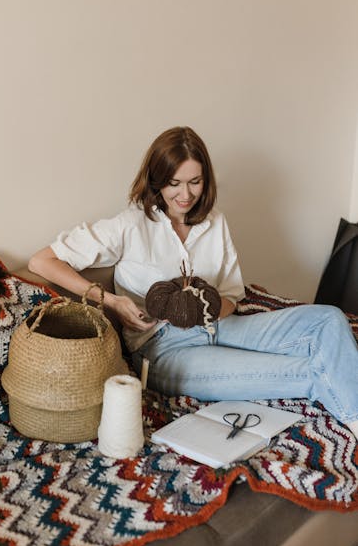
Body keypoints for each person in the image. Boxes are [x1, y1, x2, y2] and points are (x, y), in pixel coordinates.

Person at [29, 126, 358, 439]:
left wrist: (206, 306)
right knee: (309, 371)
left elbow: (231, 297)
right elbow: (41, 261)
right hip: (165, 350)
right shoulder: (129, 225)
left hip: (219, 325)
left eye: (195, 182)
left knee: (329, 319)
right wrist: (113, 302)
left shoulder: (215, 222)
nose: (185, 195)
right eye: (174, 183)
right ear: (157, 180)